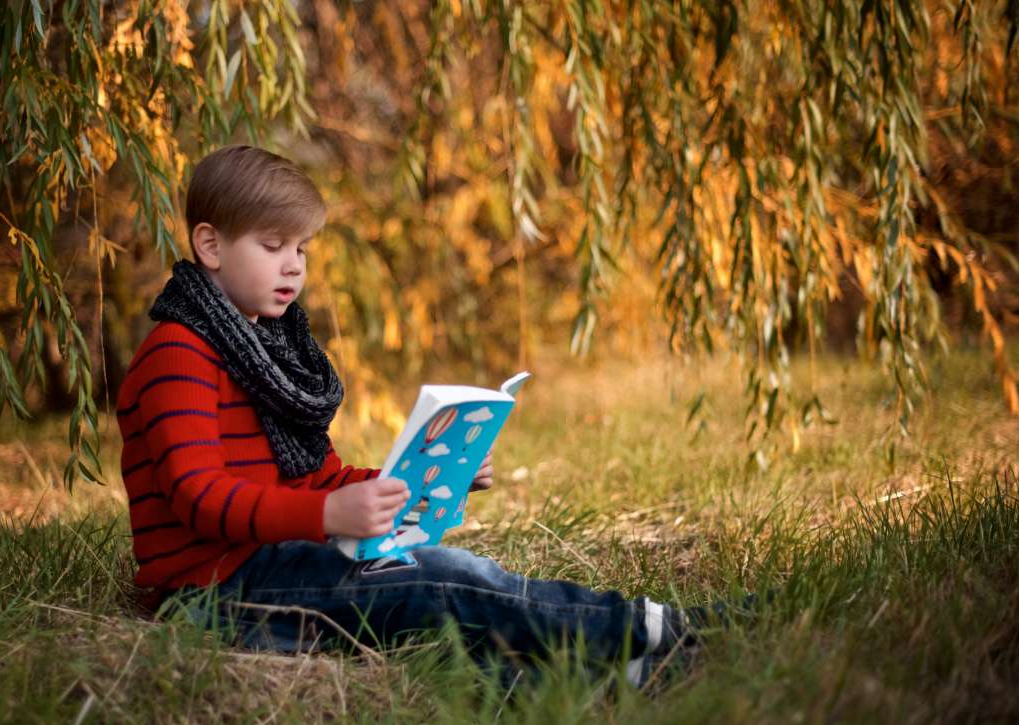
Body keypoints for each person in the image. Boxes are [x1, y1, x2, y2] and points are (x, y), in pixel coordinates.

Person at [114, 145, 701, 689]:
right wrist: (328, 514)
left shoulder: (268, 350)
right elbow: (197, 495)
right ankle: (655, 627)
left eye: (302, 249)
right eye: (273, 247)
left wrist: (425, 479)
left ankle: (623, 680)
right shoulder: (180, 351)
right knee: (442, 578)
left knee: (435, 628)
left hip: (274, 564)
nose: (293, 266)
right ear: (211, 246)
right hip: (214, 592)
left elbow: (318, 478)